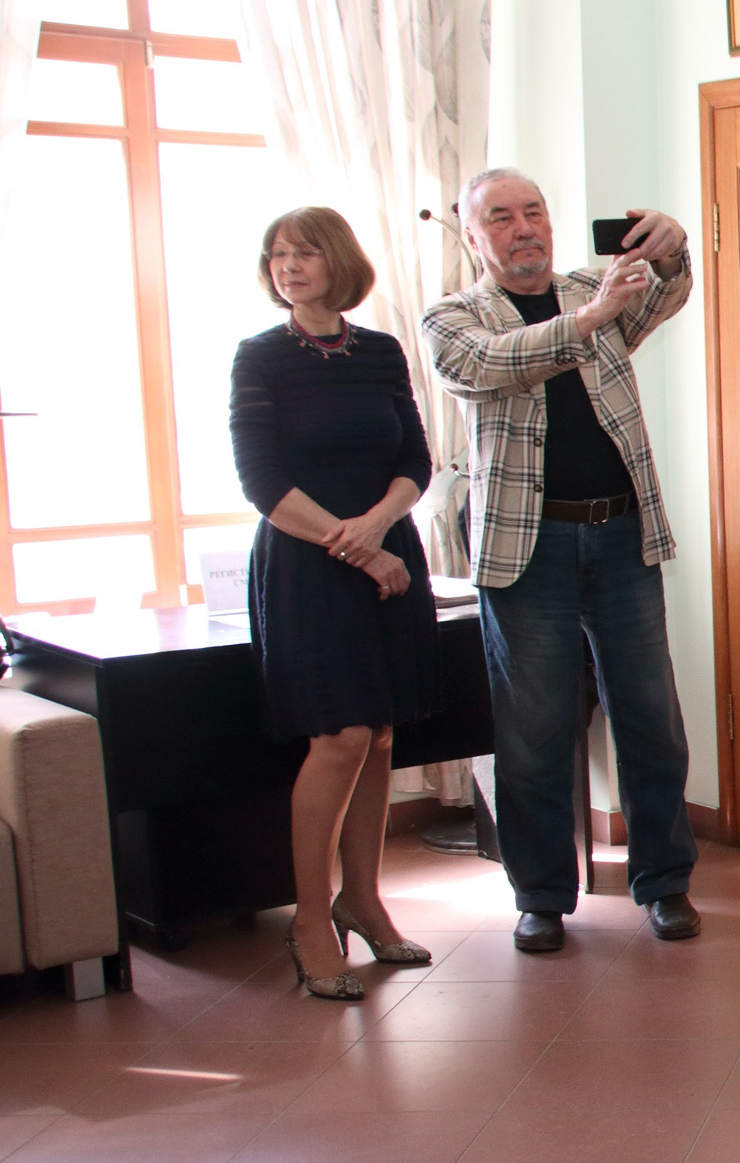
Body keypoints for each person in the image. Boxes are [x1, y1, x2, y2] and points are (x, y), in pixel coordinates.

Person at [423, 170, 703, 954]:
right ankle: (540, 894)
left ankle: (665, 882)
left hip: (621, 536)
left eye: (534, 212)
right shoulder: (452, 317)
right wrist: (588, 319)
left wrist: (673, 247)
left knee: (651, 717)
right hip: (527, 549)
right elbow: (496, 363)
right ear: (471, 235)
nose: (524, 229)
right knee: (534, 729)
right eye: (501, 218)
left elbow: (665, 292)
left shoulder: (594, 285)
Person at [231, 206, 439, 1000]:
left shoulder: (380, 351)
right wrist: (355, 545)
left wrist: (382, 526)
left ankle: (365, 899)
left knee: (381, 736)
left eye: (304, 252)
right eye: (276, 254)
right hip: (308, 562)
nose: (288, 265)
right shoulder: (260, 359)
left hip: (387, 551)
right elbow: (263, 484)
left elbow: (414, 458)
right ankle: (311, 920)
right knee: (341, 734)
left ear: (338, 261)